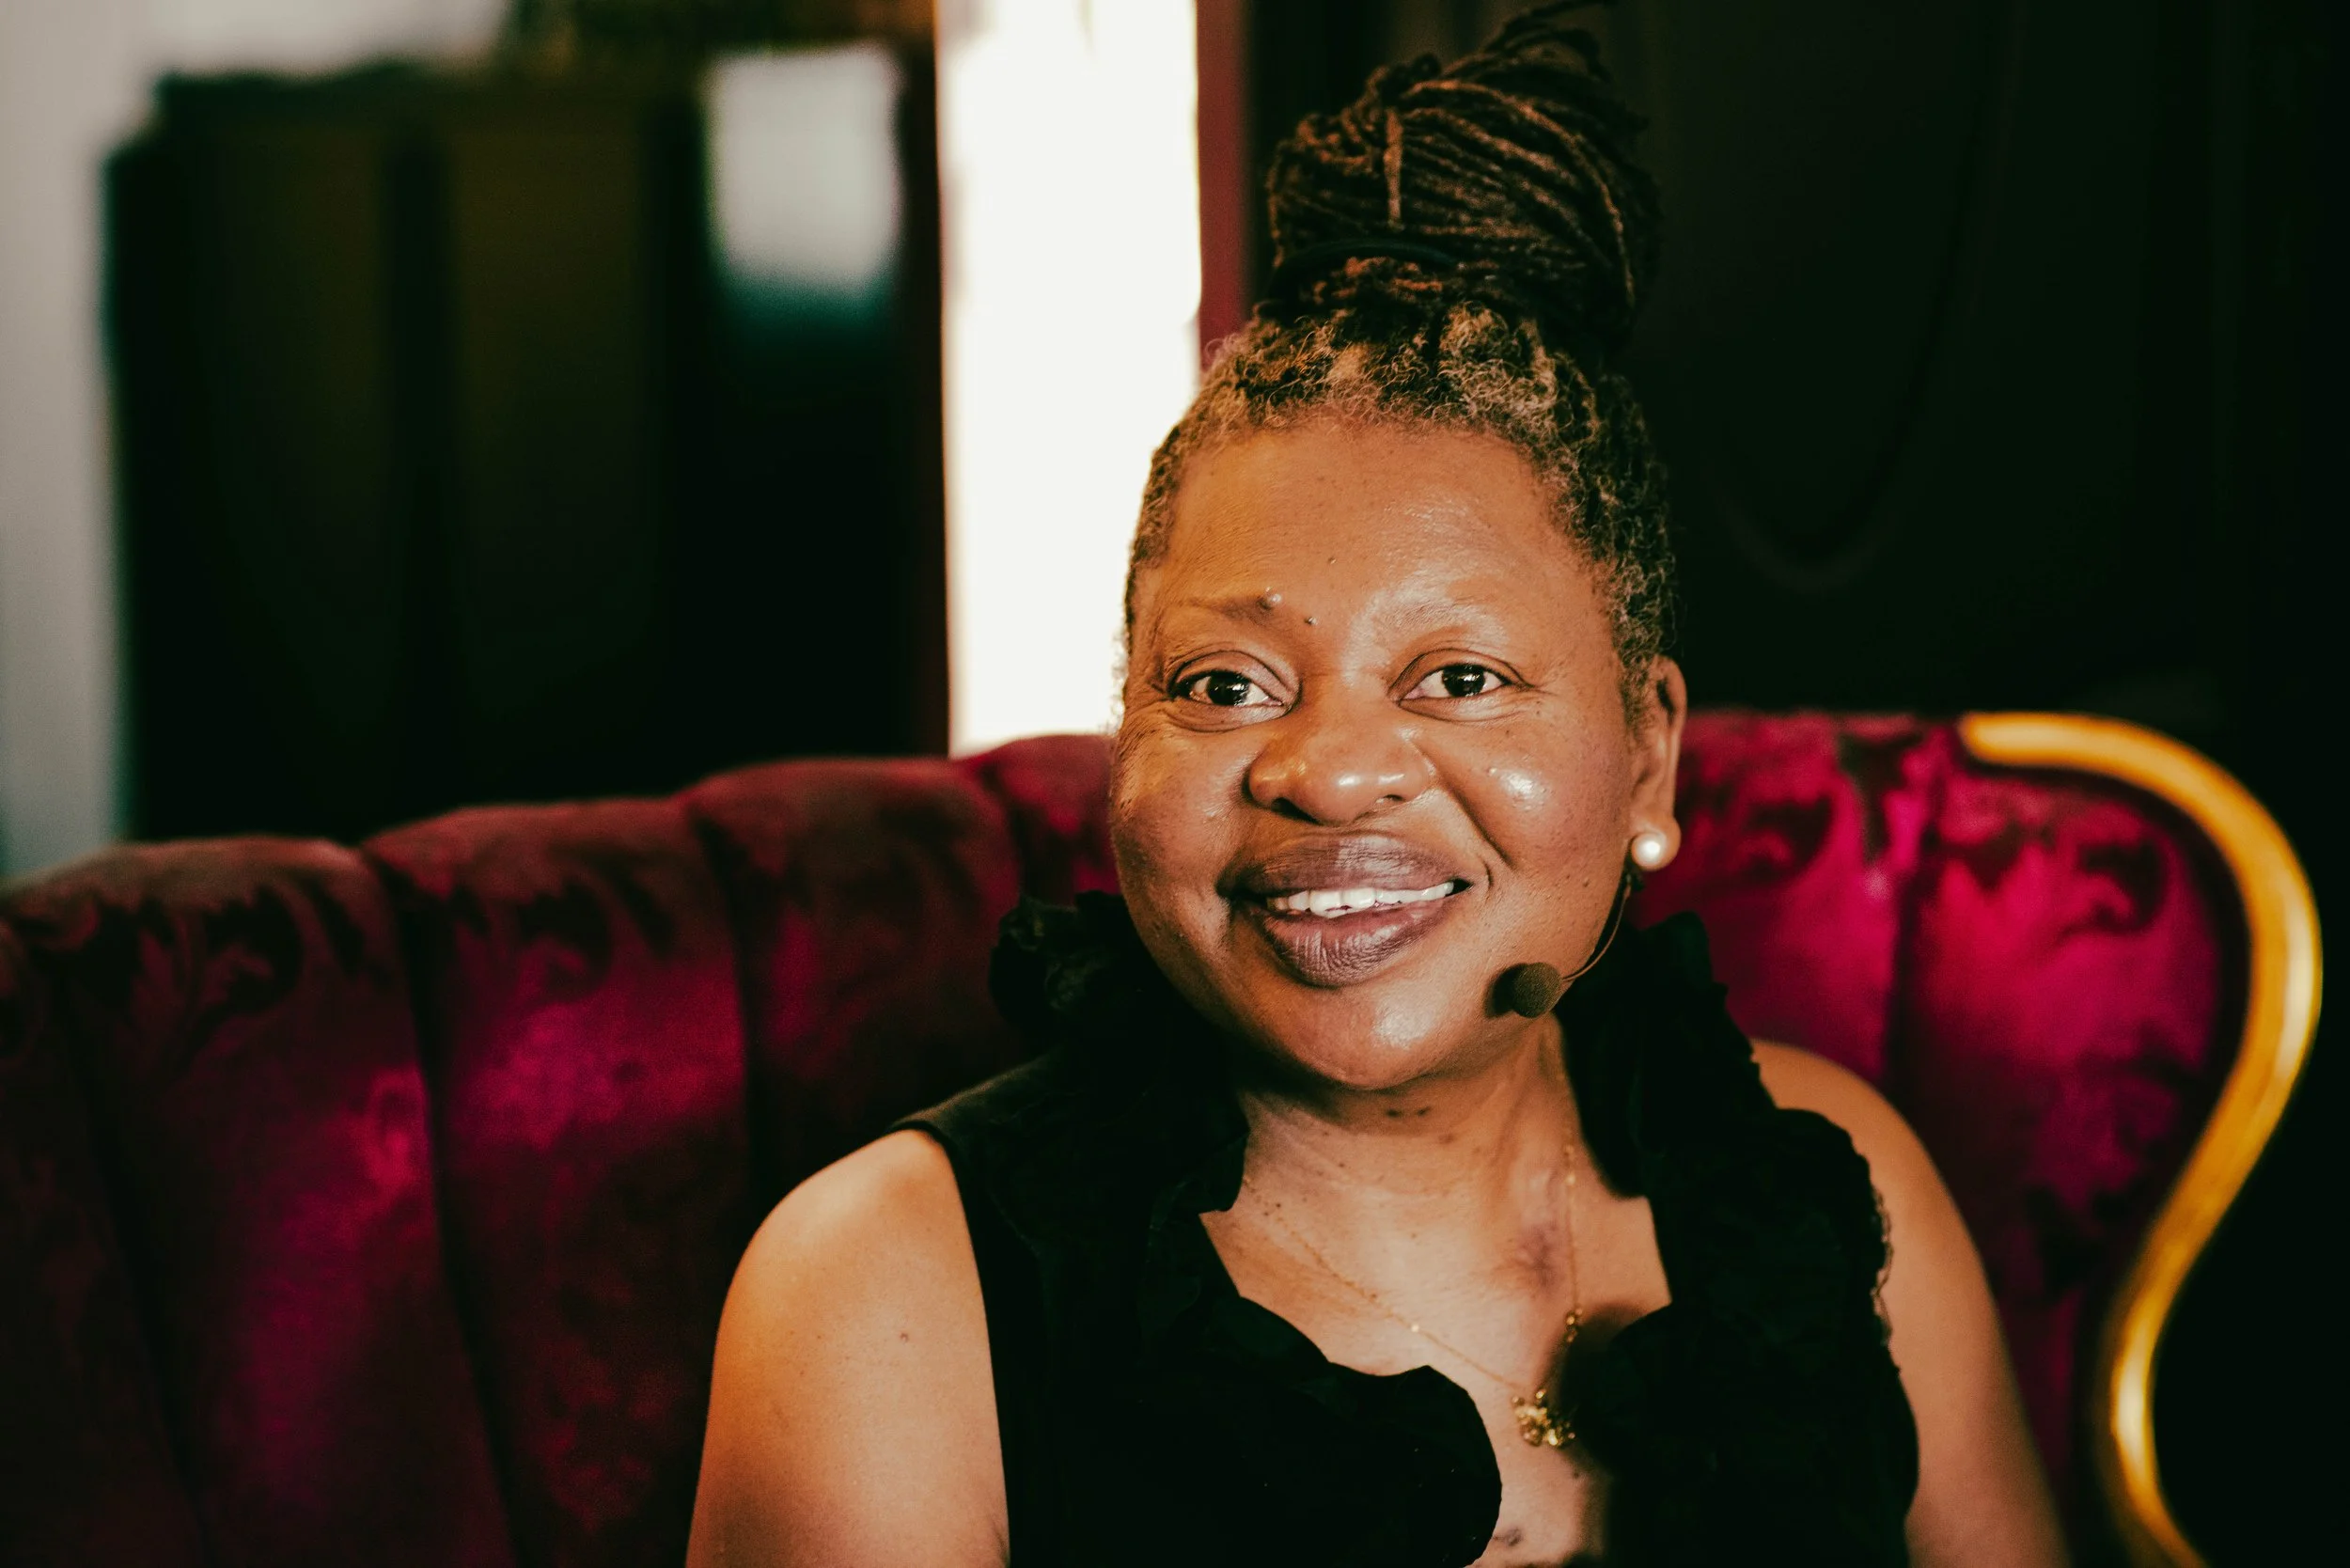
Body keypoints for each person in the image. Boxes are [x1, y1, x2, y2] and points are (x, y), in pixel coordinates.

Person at [686, 7, 2066, 1563]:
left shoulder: (1829, 1193)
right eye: (1224, 686)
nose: (1330, 770)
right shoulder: (886, 1295)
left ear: (1651, 755)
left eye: (1460, 679)